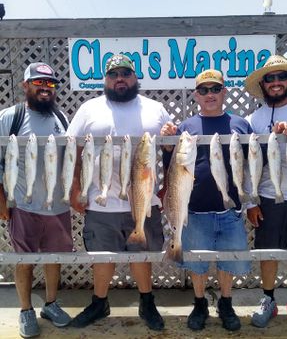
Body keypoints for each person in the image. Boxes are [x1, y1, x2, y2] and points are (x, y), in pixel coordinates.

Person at [68, 54, 171, 331]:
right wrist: (75, 187)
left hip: (143, 200)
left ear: (135, 77)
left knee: (142, 256)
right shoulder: (89, 109)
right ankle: (99, 302)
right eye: (114, 74)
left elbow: (171, 149)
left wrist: (168, 186)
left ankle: (147, 303)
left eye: (126, 73)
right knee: (102, 258)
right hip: (101, 203)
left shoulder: (155, 109)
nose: (120, 79)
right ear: (106, 79)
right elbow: (73, 149)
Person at [161, 69, 251, 331]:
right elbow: (172, 167)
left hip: (230, 209)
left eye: (214, 89)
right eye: (203, 90)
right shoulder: (185, 127)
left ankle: (226, 302)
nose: (209, 95)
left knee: (228, 260)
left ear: (224, 92)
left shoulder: (241, 124)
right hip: (195, 210)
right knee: (196, 262)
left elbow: (254, 163)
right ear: (195, 96)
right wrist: (168, 145)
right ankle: (199, 302)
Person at [0, 62, 72, 338]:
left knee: (53, 259)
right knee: (25, 260)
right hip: (23, 205)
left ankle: (51, 304)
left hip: (58, 206)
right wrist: (1, 199)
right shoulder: (10, 117)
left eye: (50, 84)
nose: (45, 88)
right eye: (39, 83)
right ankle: (26, 310)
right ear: (26, 85)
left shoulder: (62, 118)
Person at [245, 55, 287, 329]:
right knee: (268, 251)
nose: (275, 82)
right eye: (269, 78)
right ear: (263, 84)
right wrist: (251, 200)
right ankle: (268, 299)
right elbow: (247, 166)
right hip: (269, 197)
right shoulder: (254, 119)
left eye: (281, 76)